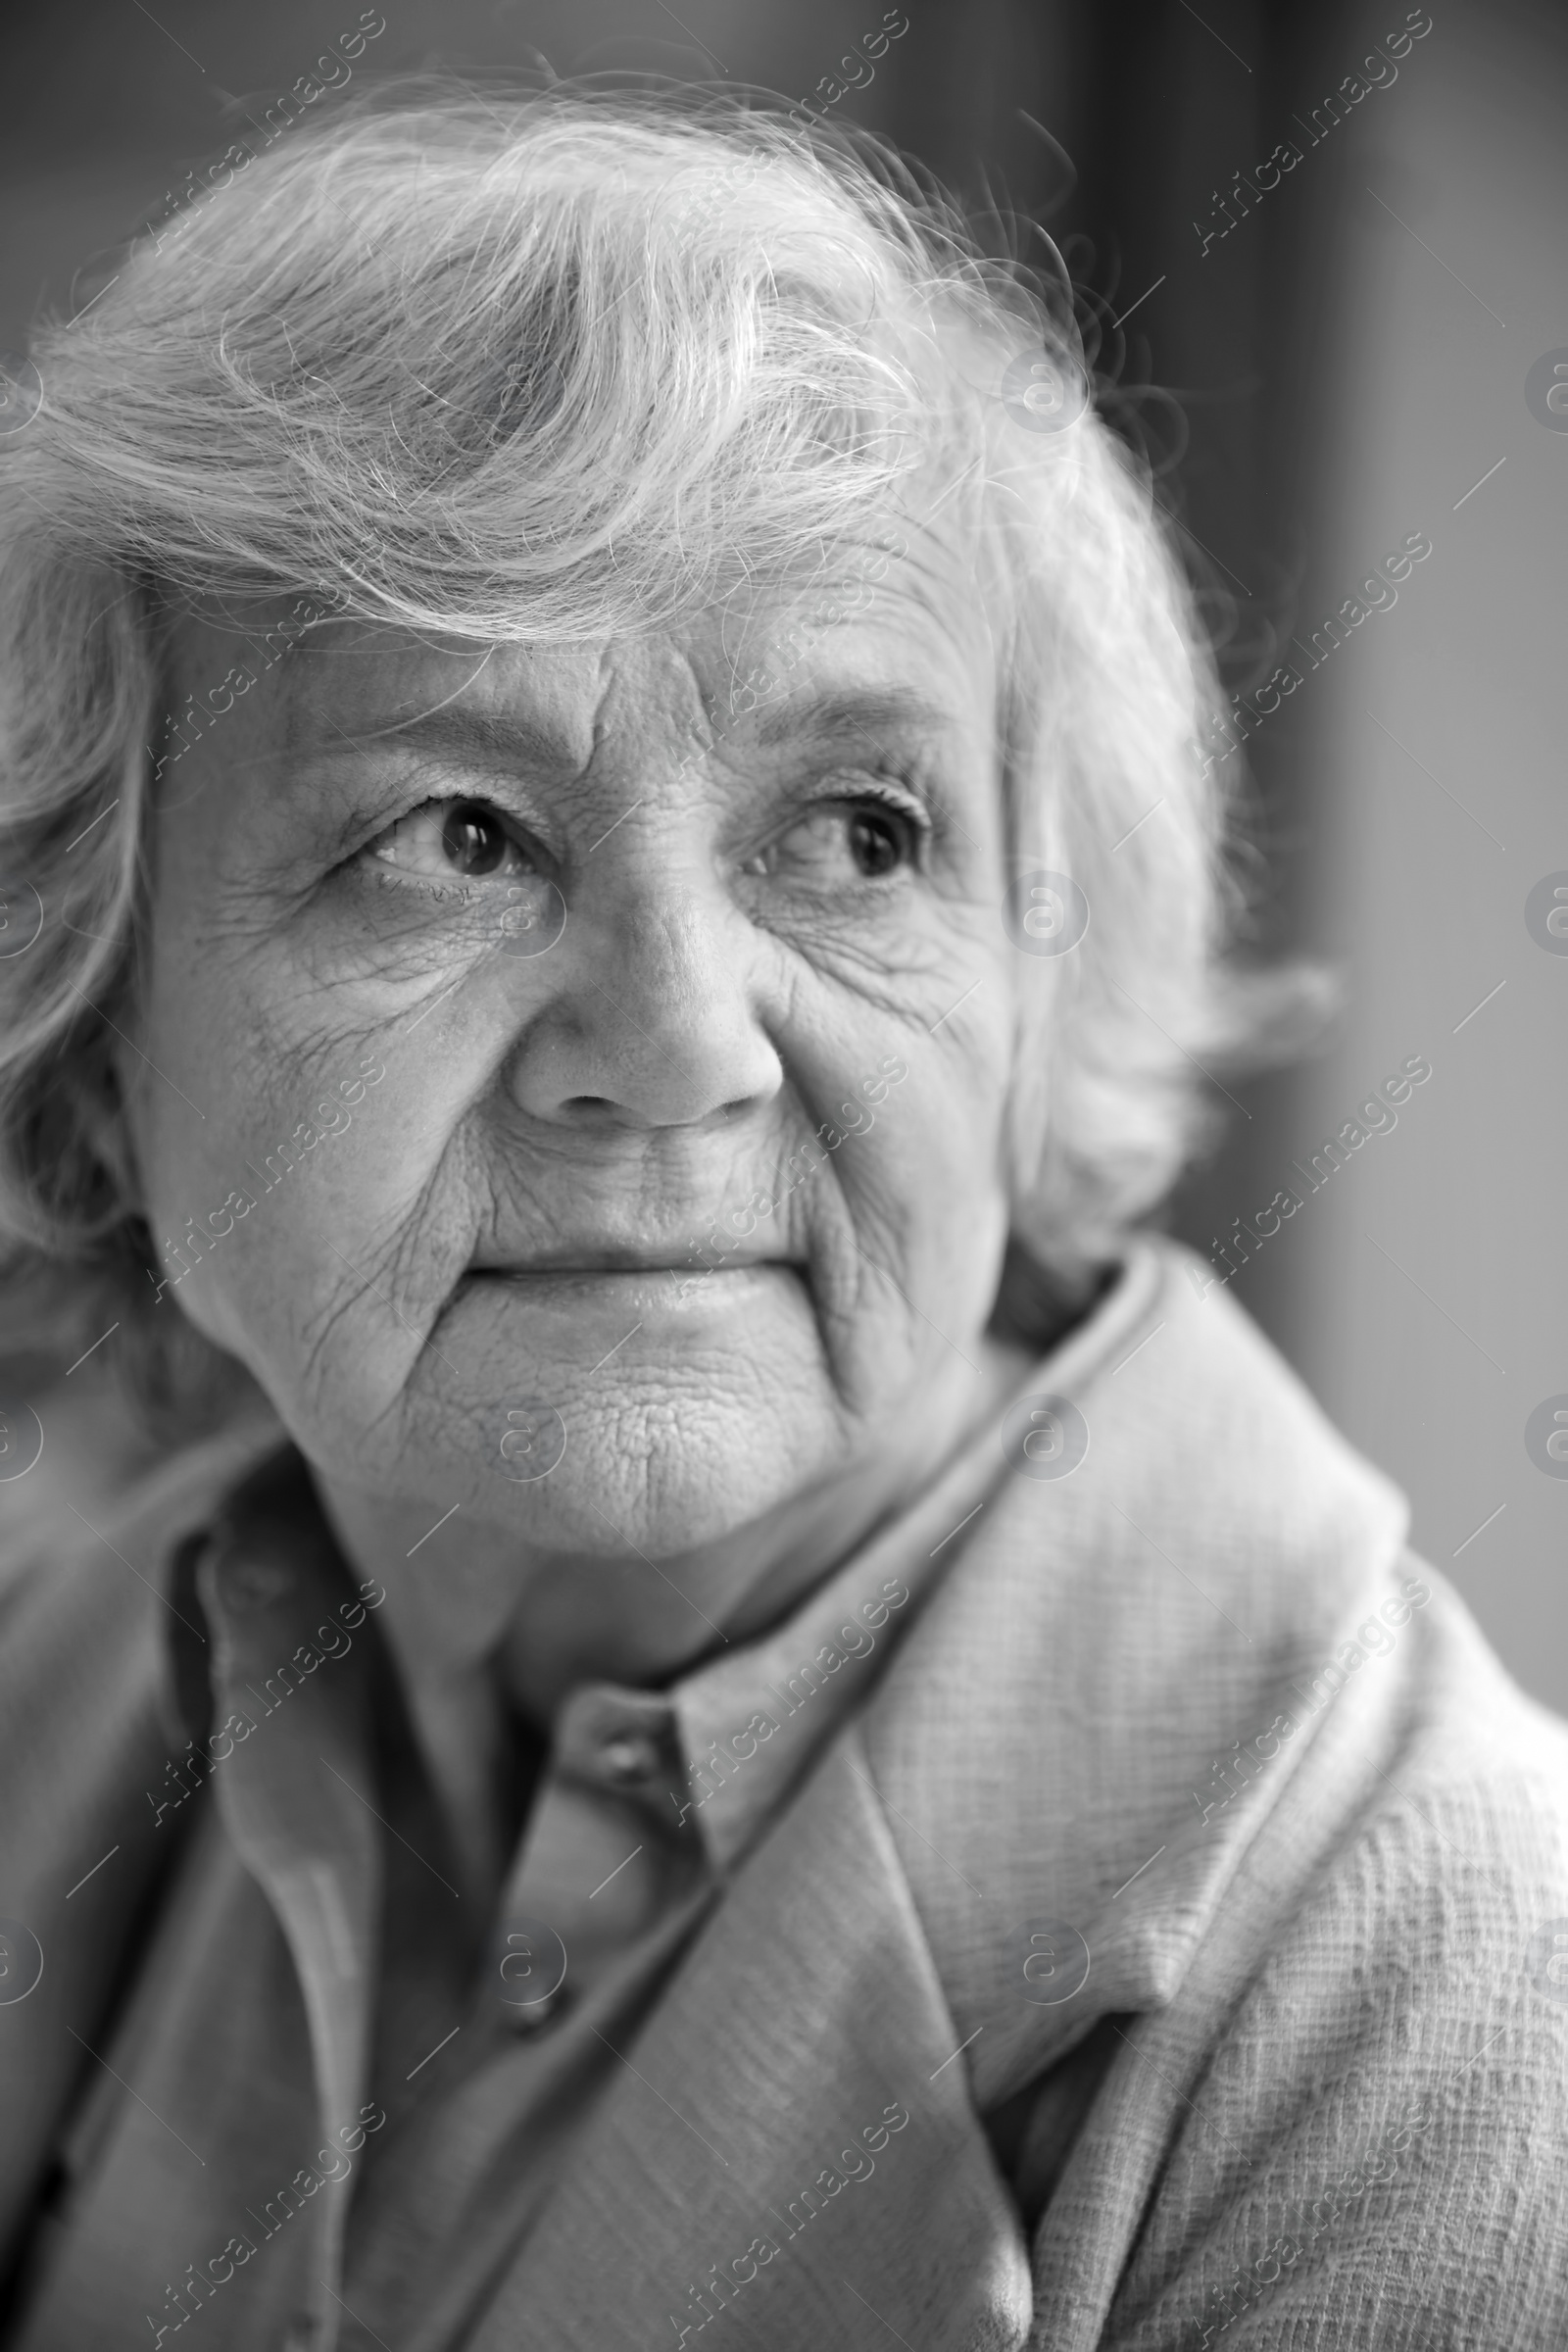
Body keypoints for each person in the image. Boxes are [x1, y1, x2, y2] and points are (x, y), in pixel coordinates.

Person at [0, 82, 1563, 2352]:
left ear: (1036, 986)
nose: (677, 1041)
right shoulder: (49, 1668)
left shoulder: (1432, 1989)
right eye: (451, 831)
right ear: (87, 1048)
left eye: (852, 833)